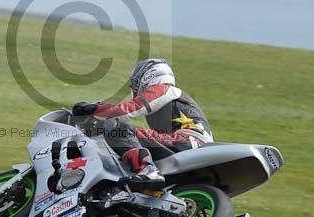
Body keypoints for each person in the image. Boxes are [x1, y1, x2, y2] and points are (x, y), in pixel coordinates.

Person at [72, 58, 213, 188]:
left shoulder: (165, 89)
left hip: (188, 141)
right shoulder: (171, 98)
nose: (134, 86)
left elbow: (129, 109)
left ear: (148, 76)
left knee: (119, 129)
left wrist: (97, 111)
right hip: (191, 144)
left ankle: (148, 171)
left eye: (135, 82)